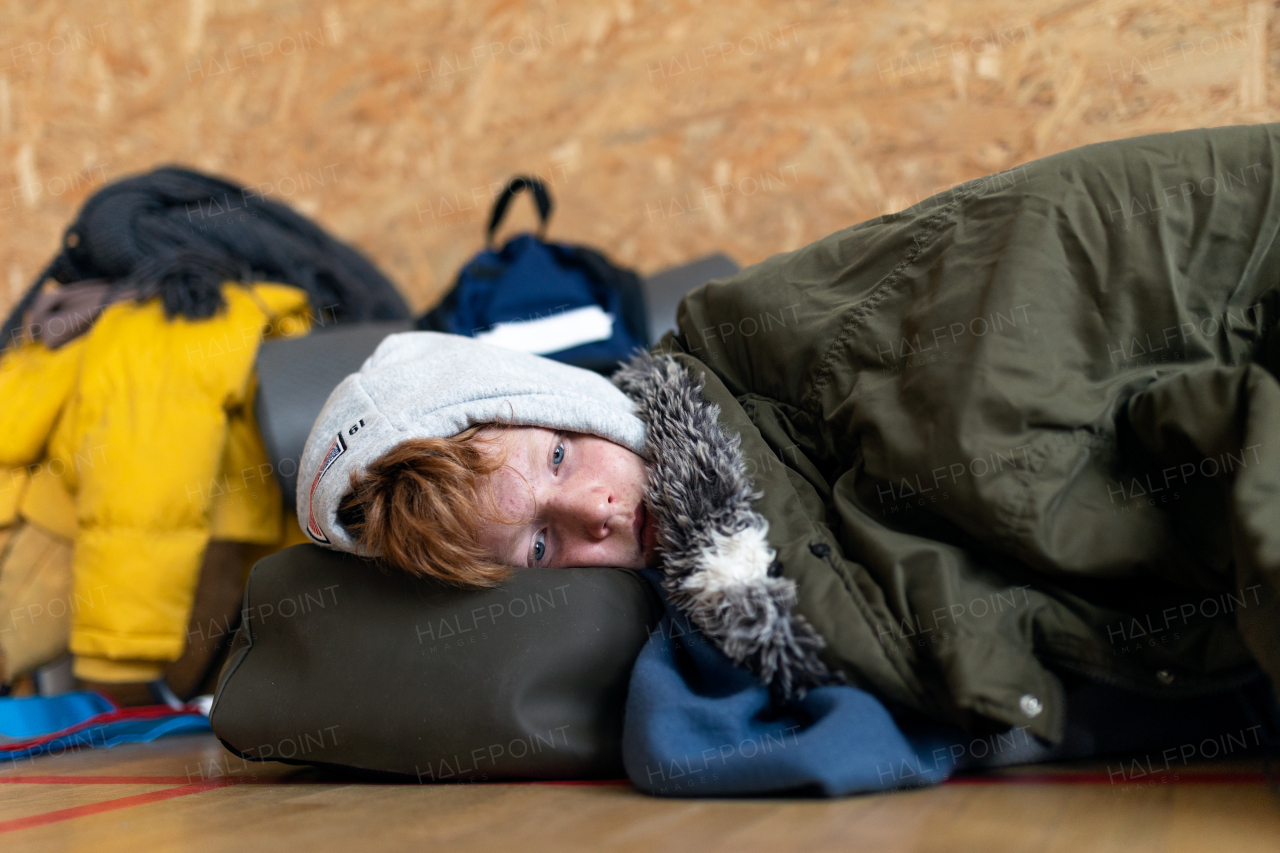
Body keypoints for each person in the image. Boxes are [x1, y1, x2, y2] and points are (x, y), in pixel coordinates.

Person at [302, 123, 1280, 746]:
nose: (596, 510)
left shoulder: (759, 349)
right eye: (540, 541)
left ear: (572, 403)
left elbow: (993, 397)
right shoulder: (707, 564)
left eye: (558, 458)